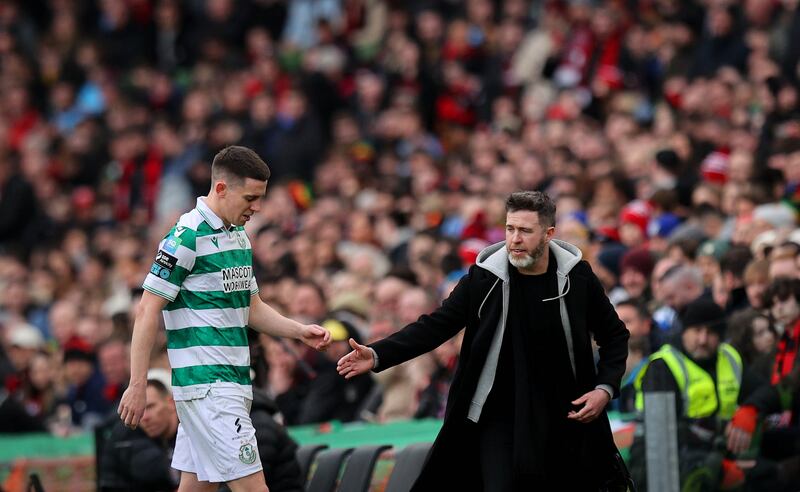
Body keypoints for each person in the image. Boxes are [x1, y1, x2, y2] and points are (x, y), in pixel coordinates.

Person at [337, 191, 630, 490]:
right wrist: (377, 354)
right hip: (495, 416)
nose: (515, 239)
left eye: (526, 231)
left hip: (565, 414)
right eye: (510, 229)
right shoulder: (484, 278)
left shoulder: (576, 278)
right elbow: (435, 326)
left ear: (548, 234)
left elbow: (615, 335)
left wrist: (604, 389)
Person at [117, 146, 330, 492]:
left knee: (195, 488)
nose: (257, 208)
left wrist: (298, 330)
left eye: (260, 198)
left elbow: (252, 307)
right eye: (250, 198)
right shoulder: (185, 237)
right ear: (221, 189)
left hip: (231, 382)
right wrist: (138, 383)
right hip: (209, 387)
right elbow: (146, 309)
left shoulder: (239, 236)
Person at [631, 297, 743, 490]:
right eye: (697, 331)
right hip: (658, 458)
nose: (703, 340)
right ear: (684, 332)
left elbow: (762, 388)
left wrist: (748, 411)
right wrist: (719, 460)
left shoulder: (729, 357)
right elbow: (667, 431)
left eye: (711, 333)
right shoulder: (663, 366)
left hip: (712, 450)